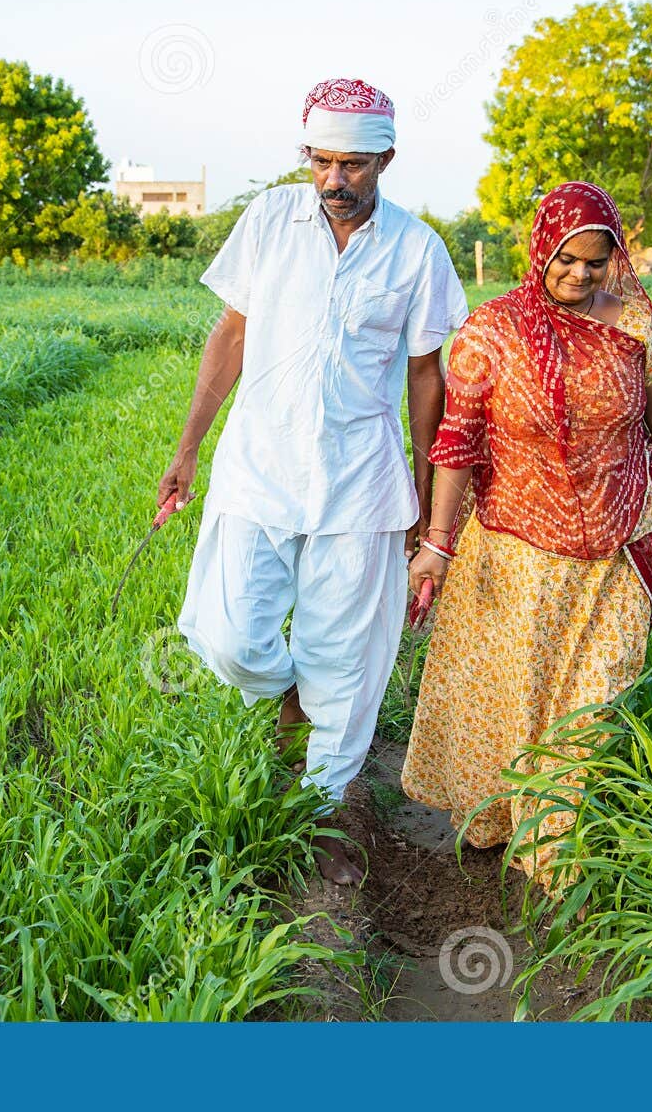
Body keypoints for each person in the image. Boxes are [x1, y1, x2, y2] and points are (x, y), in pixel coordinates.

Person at [160, 78, 470, 886]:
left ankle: (325, 807)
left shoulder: (418, 250)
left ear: (387, 160)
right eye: (322, 160)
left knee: (352, 661)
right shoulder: (268, 220)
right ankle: (293, 689)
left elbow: (425, 378)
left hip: (360, 483)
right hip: (256, 470)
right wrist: (188, 447)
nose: (335, 179)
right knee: (229, 638)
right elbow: (230, 332)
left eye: (354, 164)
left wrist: (430, 496)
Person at [401, 181, 652, 894]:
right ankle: (502, 833)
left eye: (597, 261)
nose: (582, 275)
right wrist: (437, 541)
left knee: (592, 709)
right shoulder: (491, 332)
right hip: (516, 552)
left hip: (616, 548)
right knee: (515, 705)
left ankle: (555, 863)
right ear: (540, 250)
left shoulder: (635, 329)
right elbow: (456, 444)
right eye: (568, 259)